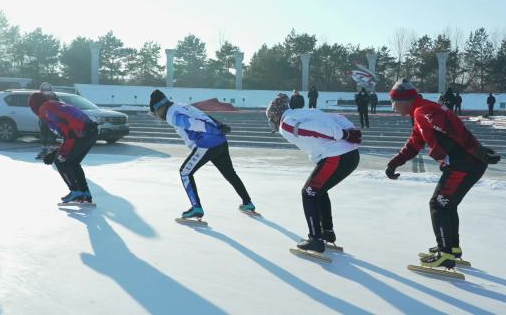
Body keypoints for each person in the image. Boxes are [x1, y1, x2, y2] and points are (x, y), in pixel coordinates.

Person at [385, 80, 500, 270]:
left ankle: (445, 254)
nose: (393, 108)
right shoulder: (420, 112)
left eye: (393, 102)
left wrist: (477, 150)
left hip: (463, 164)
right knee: (447, 204)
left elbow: (453, 128)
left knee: (438, 204)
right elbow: (415, 143)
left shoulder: (424, 111)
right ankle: (452, 248)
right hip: (465, 163)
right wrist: (395, 162)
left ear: (404, 100)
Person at [266, 93, 361, 253]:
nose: (272, 122)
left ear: (276, 115)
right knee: (319, 191)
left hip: (336, 156)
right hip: (349, 155)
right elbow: (337, 117)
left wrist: (343, 134)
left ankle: (315, 240)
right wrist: (350, 130)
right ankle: (327, 233)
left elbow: (313, 129)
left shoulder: (286, 123)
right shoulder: (306, 112)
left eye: (271, 118)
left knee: (308, 193)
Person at [148, 89, 255, 219]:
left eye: (156, 113)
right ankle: (247, 203)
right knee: (230, 174)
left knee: (185, 172)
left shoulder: (172, 115)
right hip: (220, 140)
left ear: (159, 107)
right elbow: (202, 116)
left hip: (207, 143)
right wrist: (219, 125)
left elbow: (194, 123)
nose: (158, 117)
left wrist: (212, 130)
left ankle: (196, 208)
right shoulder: (182, 106)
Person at [28, 92, 99, 204]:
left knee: (60, 161)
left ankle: (75, 191)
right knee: (73, 163)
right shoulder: (54, 104)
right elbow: (68, 125)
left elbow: (67, 127)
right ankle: (85, 193)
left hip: (79, 134)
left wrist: (57, 154)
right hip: (91, 132)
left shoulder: (45, 110)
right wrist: (57, 151)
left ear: (34, 105)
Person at [35, 83, 60, 159]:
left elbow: (58, 105)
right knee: (44, 135)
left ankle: (53, 151)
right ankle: (44, 150)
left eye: (47, 89)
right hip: (43, 118)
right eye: (44, 89)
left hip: (52, 119)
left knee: (52, 135)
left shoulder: (53, 96)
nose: (46, 91)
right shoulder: (38, 97)